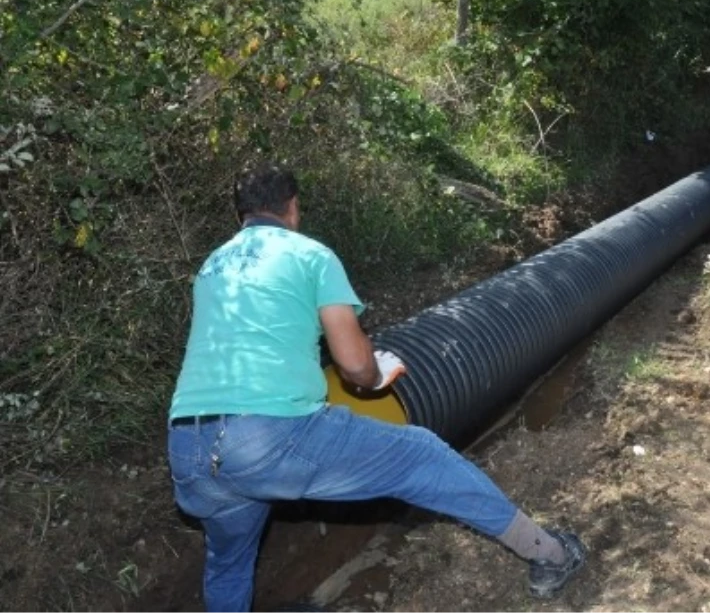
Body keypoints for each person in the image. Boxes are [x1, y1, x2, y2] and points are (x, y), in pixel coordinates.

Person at [167, 164, 586, 612]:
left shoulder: (212, 266)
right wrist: (374, 375)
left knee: (228, 563)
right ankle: (550, 554)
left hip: (188, 447)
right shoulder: (308, 254)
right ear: (292, 207)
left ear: (242, 215)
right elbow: (353, 365)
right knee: (422, 454)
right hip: (269, 434)